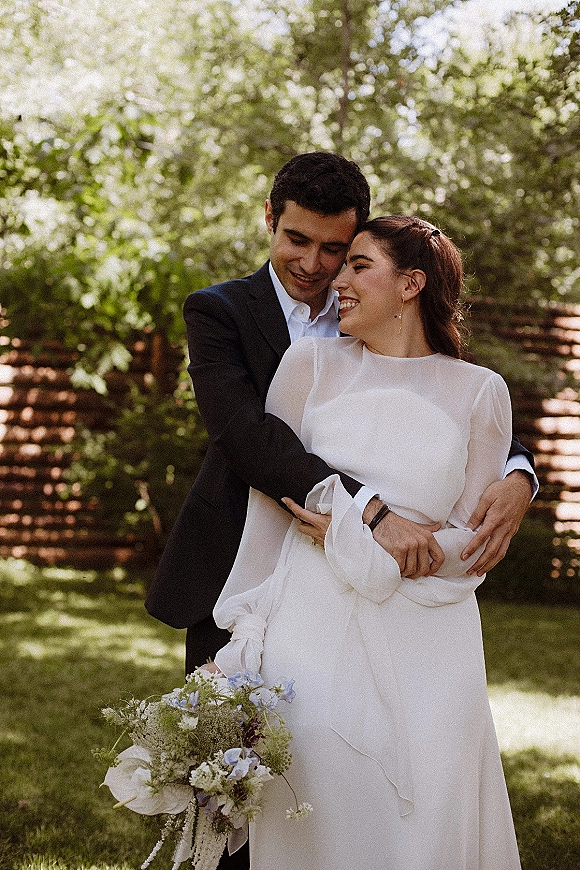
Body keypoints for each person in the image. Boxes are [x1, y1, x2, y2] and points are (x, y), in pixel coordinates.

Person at [146, 152, 535, 682]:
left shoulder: (372, 305)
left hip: (374, 580)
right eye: (297, 240)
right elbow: (249, 439)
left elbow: (444, 400)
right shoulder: (219, 313)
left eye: (335, 249)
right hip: (245, 560)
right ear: (270, 218)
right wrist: (372, 513)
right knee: (239, 750)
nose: (313, 264)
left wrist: (519, 474)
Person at [211, 216, 522, 869]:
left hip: (432, 637)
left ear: (412, 283)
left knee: (429, 804)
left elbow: (475, 540)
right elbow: (269, 510)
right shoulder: (311, 365)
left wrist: (381, 543)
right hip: (313, 615)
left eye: (357, 265)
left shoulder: (480, 392)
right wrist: (244, 636)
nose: (337, 279)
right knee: (318, 788)